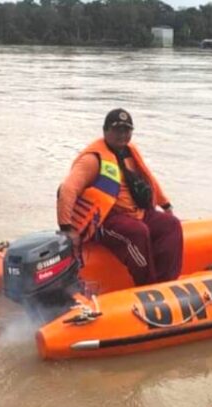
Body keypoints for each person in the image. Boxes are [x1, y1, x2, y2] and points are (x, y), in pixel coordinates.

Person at [57, 108, 183, 286]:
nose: (122, 134)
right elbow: (67, 190)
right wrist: (66, 228)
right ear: (105, 130)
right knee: (138, 232)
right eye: (117, 130)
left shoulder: (130, 152)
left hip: (135, 213)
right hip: (104, 220)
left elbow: (149, 179)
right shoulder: (93, 159)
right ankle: (147, 285)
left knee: (171, 225)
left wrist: (166, 205)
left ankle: (166, 283)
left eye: (127, 130)